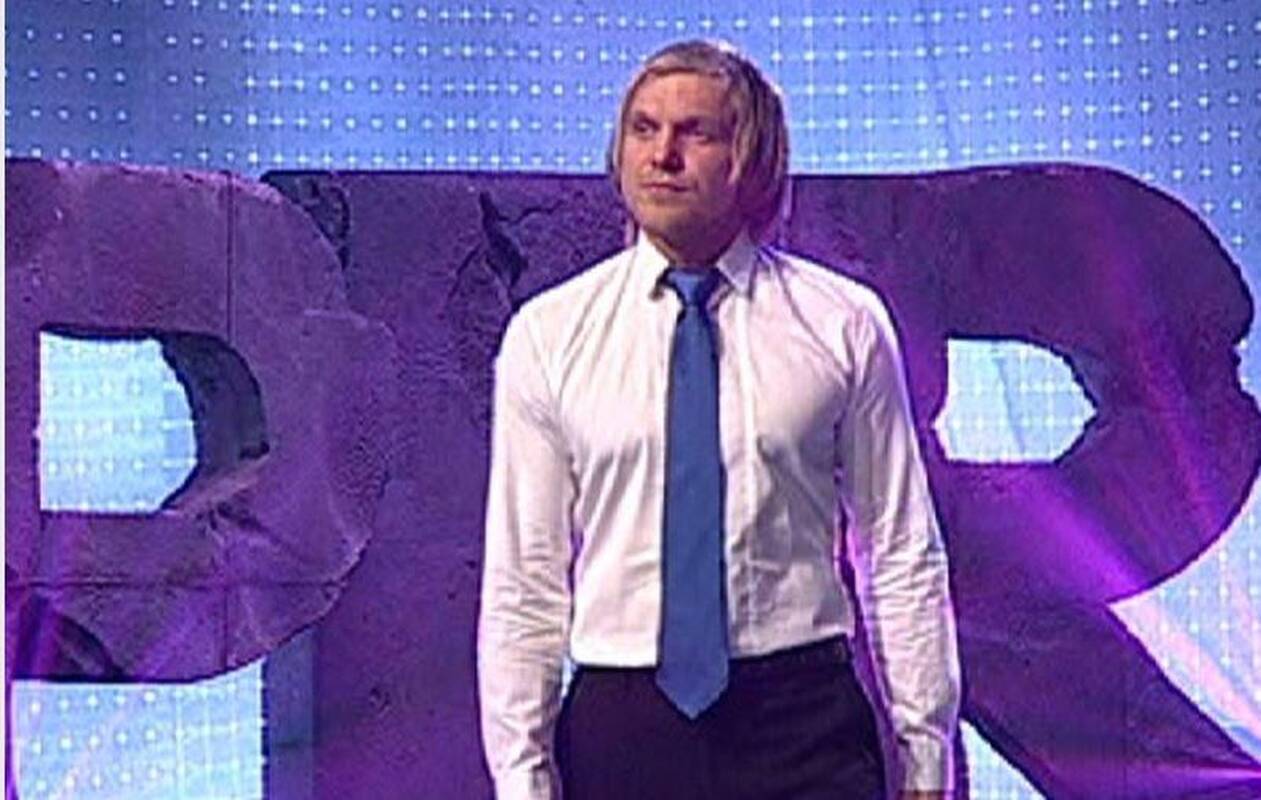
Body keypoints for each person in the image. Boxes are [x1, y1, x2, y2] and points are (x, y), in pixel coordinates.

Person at [477, 38, 960, 800]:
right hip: (623, 724)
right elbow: (524, 578)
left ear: (751, 160)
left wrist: (926, 760)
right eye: (643, 129)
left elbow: (899, 551)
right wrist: (521, 777)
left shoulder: (841, 324)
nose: (661, 156)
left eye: (693, 133)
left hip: (801, 720)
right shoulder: (549, 335)